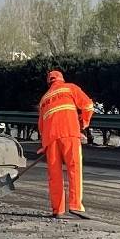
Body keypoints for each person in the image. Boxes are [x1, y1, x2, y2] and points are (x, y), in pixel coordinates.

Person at [37, 69, 94, 219]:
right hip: (69, 133)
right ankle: (75, 206)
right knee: (74, 169)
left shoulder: (44, 99)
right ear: (61, 79)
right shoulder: (70, 88)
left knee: (54, 175)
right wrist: (83, 124)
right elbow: (88, 106)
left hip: (50, 139)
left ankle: (58, 210)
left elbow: (41, 125)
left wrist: (44, 145)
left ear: (49, 82)